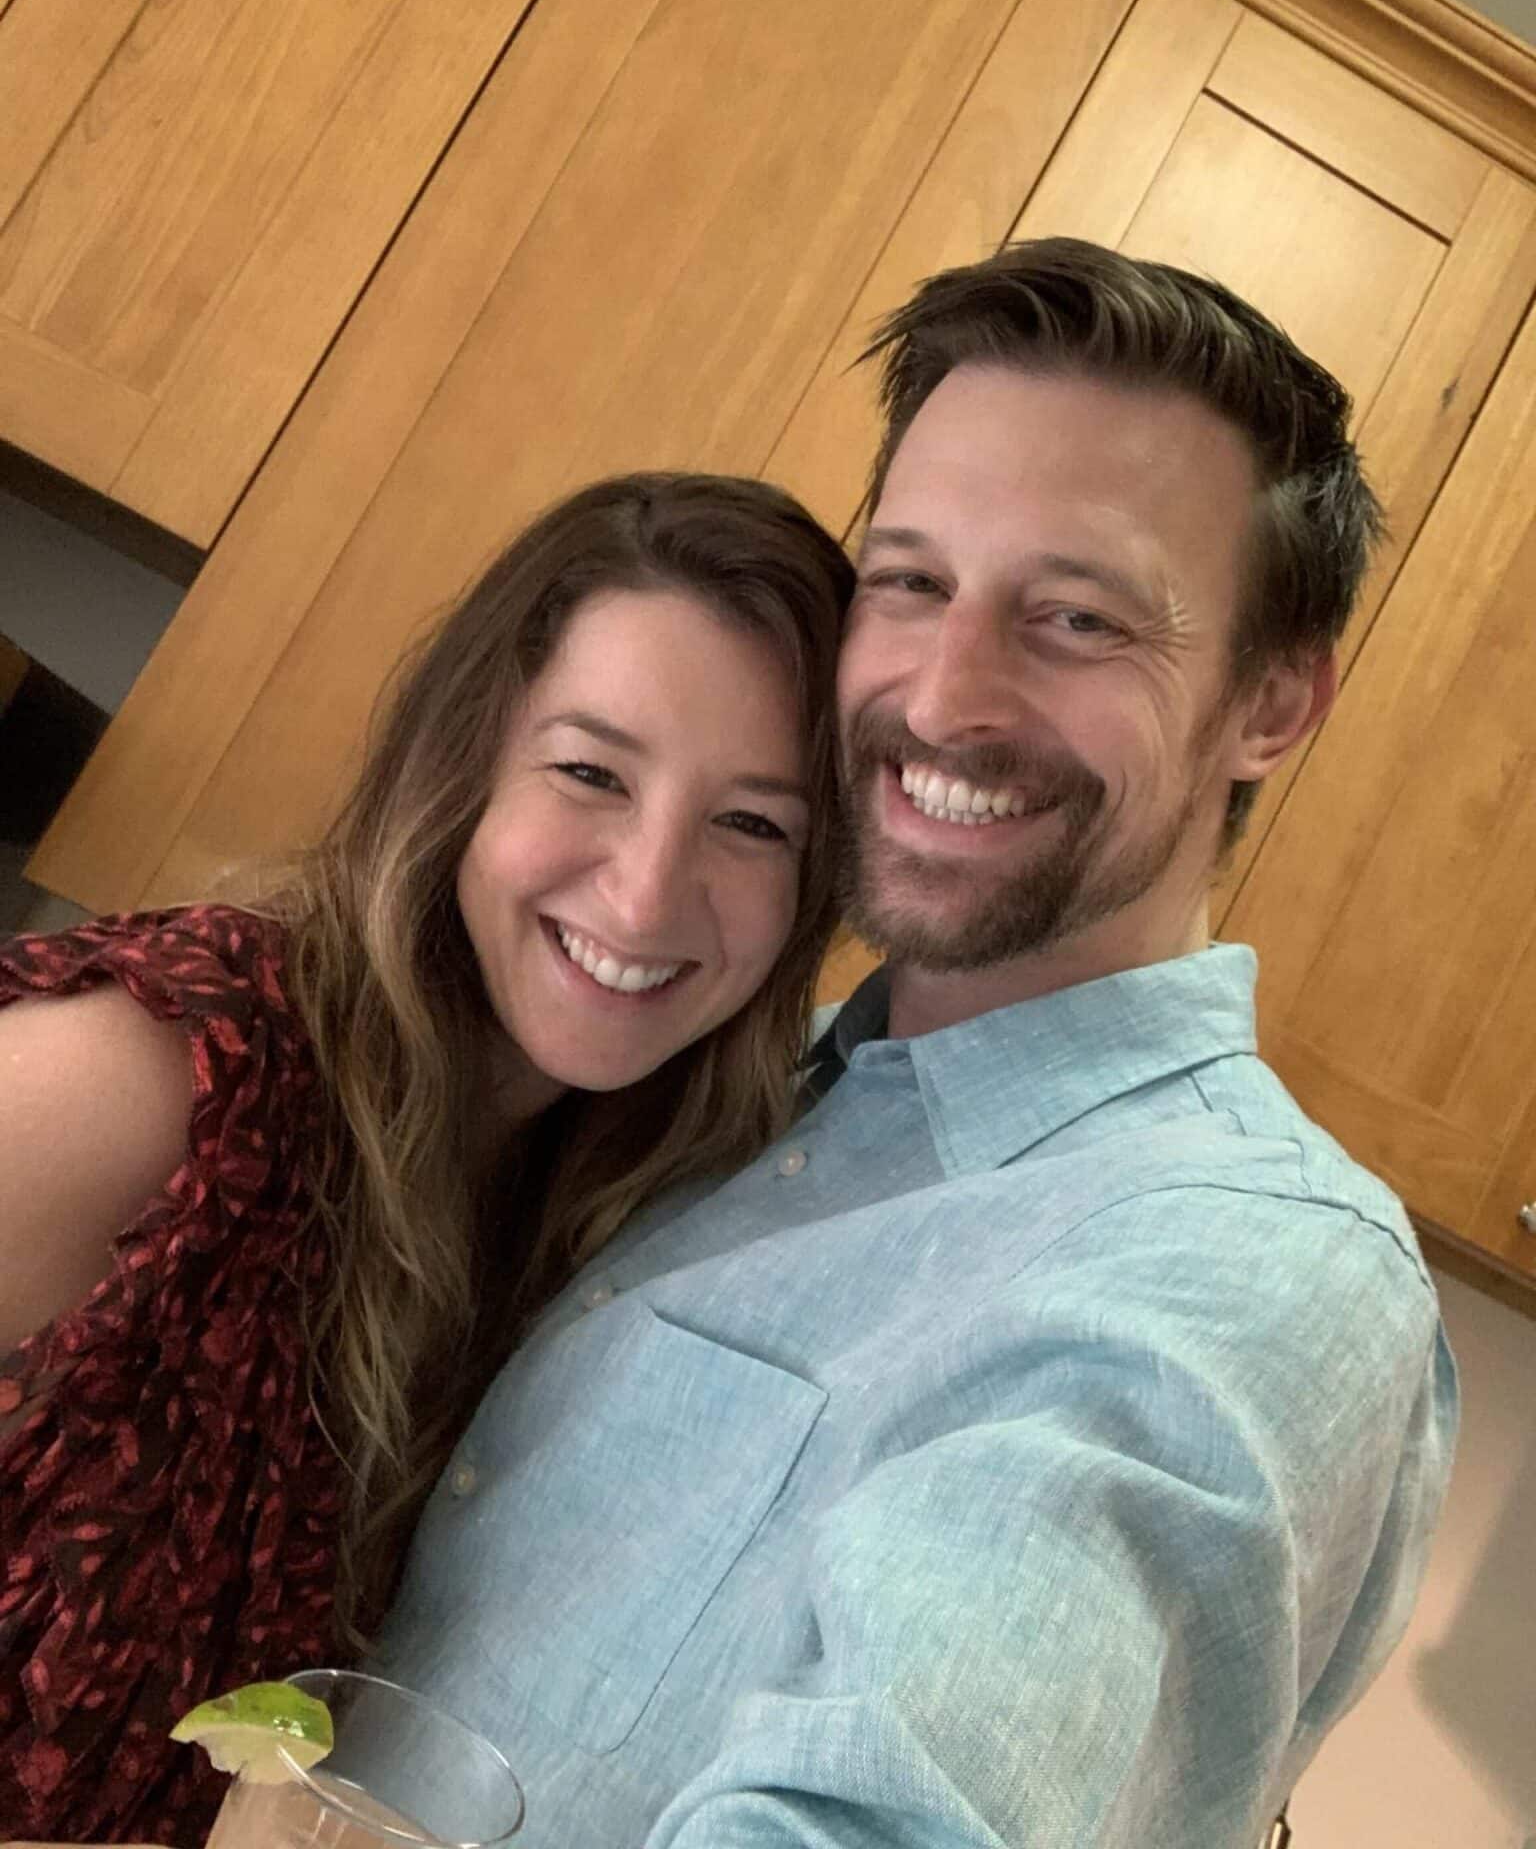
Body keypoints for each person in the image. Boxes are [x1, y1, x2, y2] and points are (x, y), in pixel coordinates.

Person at [371, 241, 1458, 1849]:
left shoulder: (1244, 1267)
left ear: (1273, 704)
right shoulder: (746, 1079)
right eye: (909, 581)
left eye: (1078, 618)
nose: (943, 698)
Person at [0, 472, 854, 1846]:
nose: (644, 890)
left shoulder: (599, 1245)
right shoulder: (154, 1079)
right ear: (463, 762)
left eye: (752, 824)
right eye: (590, 772)